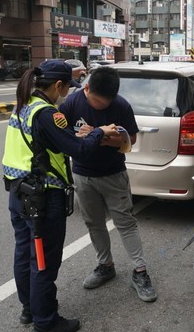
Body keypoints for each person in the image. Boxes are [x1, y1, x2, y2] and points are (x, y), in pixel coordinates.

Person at [2, 60, 118, 332]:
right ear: (58, 86)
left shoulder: (23, 105)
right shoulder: (47, 114)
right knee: (43, 261)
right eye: (66, 88)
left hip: (19, 194)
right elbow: (79, 150)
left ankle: (29, 309)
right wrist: (100, 132)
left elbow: (46, 144)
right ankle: (45, 322)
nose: (67, 94)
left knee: (24, 253)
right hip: (42, 199)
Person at [58, 66, 157, 302]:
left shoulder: (121, 106)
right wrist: (79, 138)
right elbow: (60, 136)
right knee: (93, 222)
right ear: (87, 88)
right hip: (82, 174)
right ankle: (105, 266)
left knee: (126, 223)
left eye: (105, 104)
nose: (100, 107)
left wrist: (99, 138)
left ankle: (140, 271)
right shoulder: (72, 103)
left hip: (113, 174)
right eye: (96, 102)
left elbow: (129, 140)